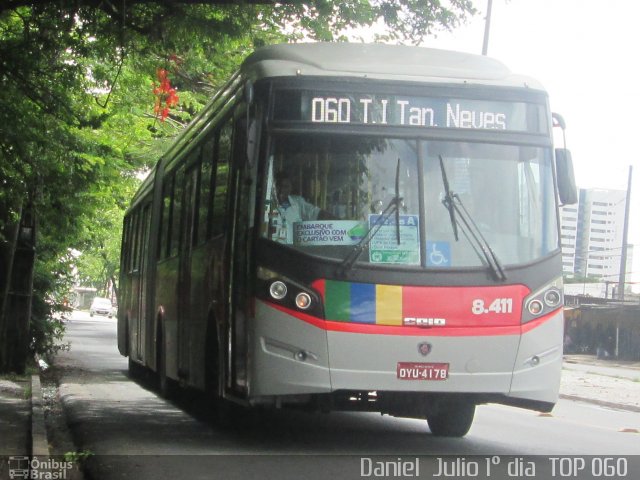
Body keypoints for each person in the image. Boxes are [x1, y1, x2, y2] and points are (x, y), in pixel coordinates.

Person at [270, 173, 330, 244]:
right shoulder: (268, 206)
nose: (281, 190)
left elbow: (317, 213)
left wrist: (342, 224)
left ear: (290, 188)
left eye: (286, 186)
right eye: (278, 186)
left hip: (295, 251)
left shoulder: (298, 202)